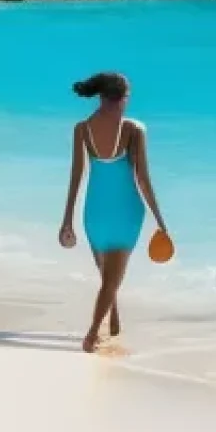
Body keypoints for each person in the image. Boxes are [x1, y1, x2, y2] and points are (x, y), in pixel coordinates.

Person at [58, 71, 168, 353]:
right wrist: (160, 220)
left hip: (93, 213)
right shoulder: (133, 130)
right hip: (125, 213)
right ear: (121, 98)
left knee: (107, 277)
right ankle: (93, 334)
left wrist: (67, 219)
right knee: (111, 280)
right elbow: (142, 179)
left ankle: (114, 326)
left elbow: (76, 175)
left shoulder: (82, 129)